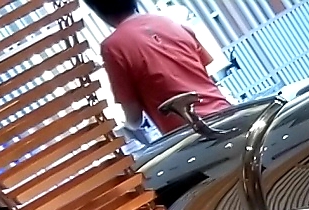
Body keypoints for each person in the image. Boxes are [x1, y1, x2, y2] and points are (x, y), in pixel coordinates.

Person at [87, 0, 230, 136]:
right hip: (227, 113)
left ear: (97, 10)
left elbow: (135, 118)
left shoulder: (113, 47)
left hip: (192, 134)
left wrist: (125, 127)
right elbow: (205, 76)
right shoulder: (171, 22)